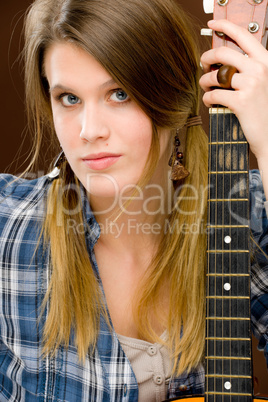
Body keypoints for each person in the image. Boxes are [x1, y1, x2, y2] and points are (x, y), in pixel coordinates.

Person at [0, 0, 267, 400]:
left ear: (174, 100)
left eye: (119, 93)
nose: (89, 131)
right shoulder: (9, 222)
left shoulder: (244, 210)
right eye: (69, 99)